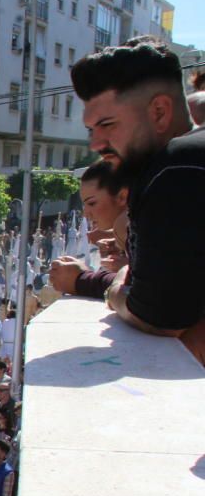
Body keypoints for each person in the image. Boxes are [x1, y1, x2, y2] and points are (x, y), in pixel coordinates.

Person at [58, 38, 205, 364]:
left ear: (160, 111)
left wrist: (113, 292)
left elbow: (156, 316)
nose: (96, 143)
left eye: (108, 125)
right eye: (91, 129)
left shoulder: (178, 165)